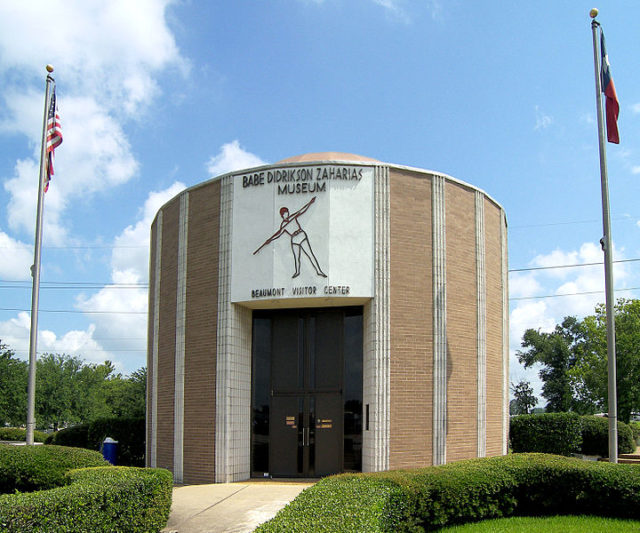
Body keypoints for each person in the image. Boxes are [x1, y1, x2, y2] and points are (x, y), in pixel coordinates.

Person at [254, 196, 327, 278]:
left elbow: (301, 211)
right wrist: (269, 240)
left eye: (287, 213)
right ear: (282, 216)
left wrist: (310, 203)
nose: (287, 215)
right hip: (294, 239)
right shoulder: (283, 225)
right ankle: (297, 272)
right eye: (285, 214)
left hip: (301, 235)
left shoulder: (292, 217)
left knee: (310, 254)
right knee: (296, 257)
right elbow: (278, 234)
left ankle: (319, 271)